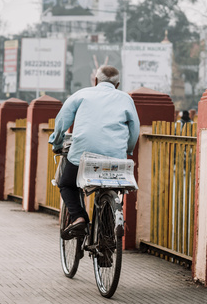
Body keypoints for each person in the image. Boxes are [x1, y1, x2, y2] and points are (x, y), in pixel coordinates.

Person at [49, 65, 140, 238]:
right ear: (117, 84)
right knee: (111, 187)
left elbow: (62, 121)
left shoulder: (82, 94)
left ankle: (79, 218)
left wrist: (57, 142)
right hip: (116, 159)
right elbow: (134, 129)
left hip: (83, 157)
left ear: (96, 80)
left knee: (66, 183)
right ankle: (106, 239)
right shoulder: (125, 99)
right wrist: (128, 149)